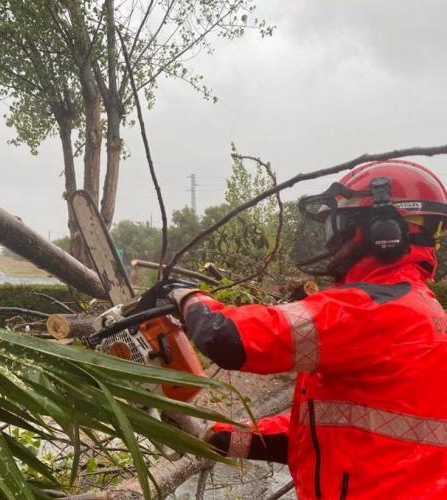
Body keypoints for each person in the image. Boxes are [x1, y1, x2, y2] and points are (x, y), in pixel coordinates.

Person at [167, 160, 447, 499]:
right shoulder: (421, 310)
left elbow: (227, 337)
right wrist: (218, 436)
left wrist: (187, 297)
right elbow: (322, 430)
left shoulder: (371, 309)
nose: (331, 244)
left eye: (339, 228)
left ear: (383, 230)